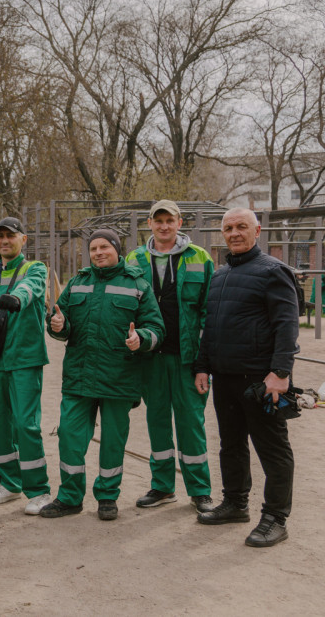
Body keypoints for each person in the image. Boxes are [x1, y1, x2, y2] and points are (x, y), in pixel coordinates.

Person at [194, 208, 300, 547]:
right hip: (225, 378)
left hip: (260, 380)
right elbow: (211, 327)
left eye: (242, 226)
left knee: (272, 448)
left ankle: (275, 518)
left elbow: (287, 324)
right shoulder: (219, 275)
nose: (234, 233)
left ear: (257, 231)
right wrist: (202, 365)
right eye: (228, 228)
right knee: (231, 444)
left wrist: (280, 372)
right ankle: (235, 503)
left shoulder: (273, 271)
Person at [43, 229, 164, 521]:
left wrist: (141, 338)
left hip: (119, 378)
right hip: (79, 377)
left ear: (116, 249)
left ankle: (108, 497)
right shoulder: (78, 283)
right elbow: (61, 321)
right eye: (93, 248)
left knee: (112, 442)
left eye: (104, 247)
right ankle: (70, 497)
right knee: (69, 436)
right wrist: (57, 325)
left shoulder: (137, 285)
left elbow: (156, 329)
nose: (98, 252)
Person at [126, 200, 215, 514]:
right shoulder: (134, 259)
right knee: (157, 422)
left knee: (191, 424)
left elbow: (209, 313)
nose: (164, 226)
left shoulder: (200, 257)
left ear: (180, 223)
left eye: (170, 220)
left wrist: (204, 364)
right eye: (158, 220)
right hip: (150, 357)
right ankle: (163, 486)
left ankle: (200, 490)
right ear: (149, 223)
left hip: (187, 359)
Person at [0, 217, 53, 515]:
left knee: (25, 424)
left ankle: (39, 490)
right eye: (0, 236)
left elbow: (30, 289)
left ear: (23, 239)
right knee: (2, 426)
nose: (5, 241)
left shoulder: (35, 268)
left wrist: (16, 299)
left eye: (10, 236)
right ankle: (10, 483)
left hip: (24, 359)